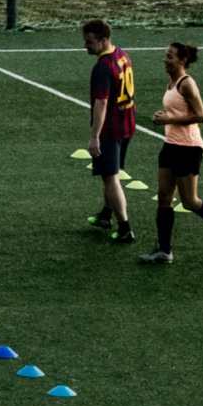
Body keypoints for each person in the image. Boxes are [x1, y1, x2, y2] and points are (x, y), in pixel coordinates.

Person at [139, 41, 203, 265]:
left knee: (189, 201)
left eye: (170, 56)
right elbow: (177, 110)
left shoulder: (187, 84)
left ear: (182, 60)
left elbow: (201, 116)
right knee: (164, 197)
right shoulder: (171, 82)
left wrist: (170, 118)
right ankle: (165, 251)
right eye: (166, 55)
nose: (165, 59)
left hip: (188, 148)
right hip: (170, 145)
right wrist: (164, 116)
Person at [81, 20, 137, 242]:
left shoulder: (102, 67)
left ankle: (125, 227)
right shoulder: (121, 54)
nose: (86, 46)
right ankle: (105, 214)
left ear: (103, 40)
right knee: (110, 174)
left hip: (110, 130)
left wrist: (95, 136)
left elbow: (101, 103)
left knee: (110, 177)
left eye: (90, 42)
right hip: (127, 124)